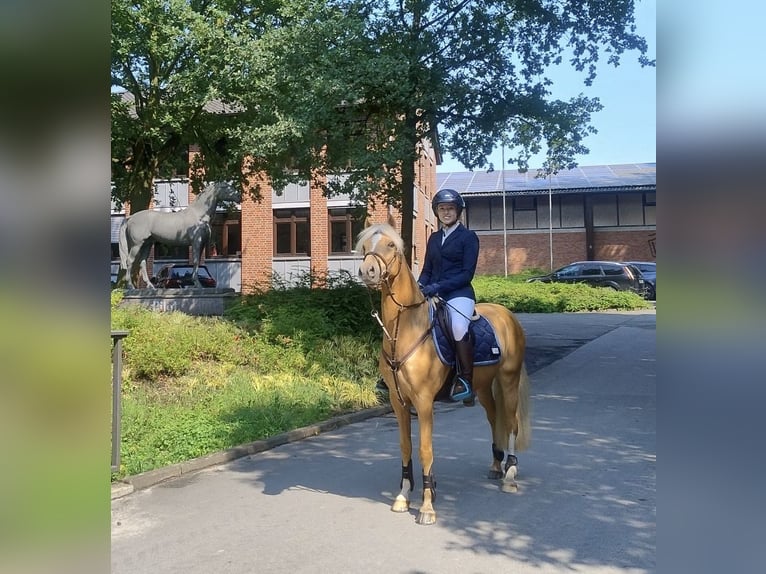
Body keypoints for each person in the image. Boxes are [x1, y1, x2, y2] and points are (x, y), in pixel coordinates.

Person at [418, 188, 480, 404]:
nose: (446, 212)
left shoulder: (468, 237)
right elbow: (426, 270)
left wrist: (437, 287)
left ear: (458, 211)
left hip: (458, 293)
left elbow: (466, 274)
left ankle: (465, 381)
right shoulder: (434, 238)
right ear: (437, 212)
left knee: (458, 327)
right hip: (431, 292)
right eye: (442, 209)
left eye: (450, 209)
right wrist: (419, 286)